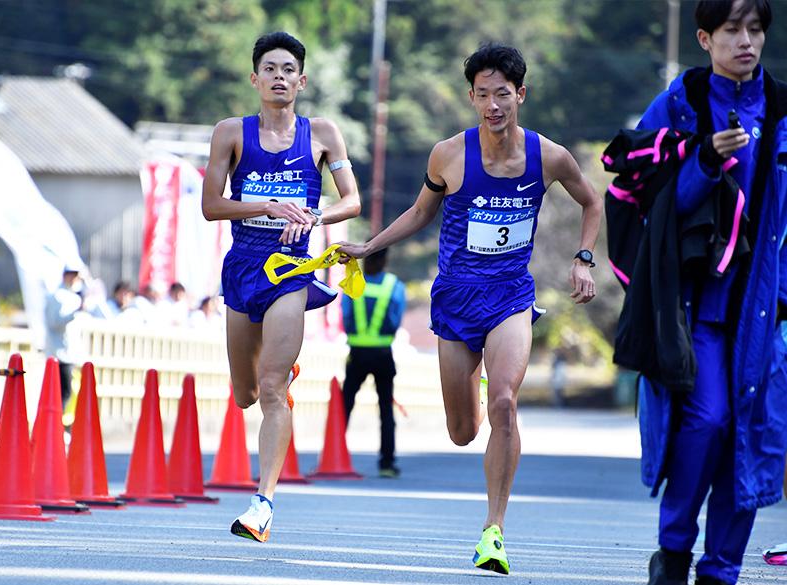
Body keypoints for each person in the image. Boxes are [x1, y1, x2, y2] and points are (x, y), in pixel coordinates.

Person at [337, 43, 602, 574]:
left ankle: (493, 532)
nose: (492, 105)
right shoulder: (448, 155)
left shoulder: (548, 156)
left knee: (505, 401)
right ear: (472, 98)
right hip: (456, 299)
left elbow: (592, 201)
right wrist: (368, 246)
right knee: (463, 430)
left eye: (502, 94)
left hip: (510, 296)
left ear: (520, 94)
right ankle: (479, 401)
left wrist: (584, 258)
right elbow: (419, 212)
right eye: (482, 95)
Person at [635, 3, 787, 583]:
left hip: (762, 306)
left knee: (748, 439)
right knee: (707, 423)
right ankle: (673, 552)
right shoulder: (679, 104)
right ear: (705, 37)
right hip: (692, 305)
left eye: (755, 30)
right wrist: (702, 161)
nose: (746, 41)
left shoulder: (781, 110)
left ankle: (721, 569)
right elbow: (645, 198)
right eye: (732, 30)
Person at [201, 31, 361, 543]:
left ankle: (262, 504)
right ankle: (278, 366)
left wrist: (315, 215)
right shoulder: (231, 132)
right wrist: (266, 207)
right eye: (269, 68)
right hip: (243, 265)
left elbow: (351, 200)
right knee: (246, 393)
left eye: (288, 69)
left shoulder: (323, 134)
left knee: (271, 390)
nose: (278, 76)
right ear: (254, 79)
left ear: (302, 80)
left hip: (291, 269)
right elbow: (211, 206)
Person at [340, 248, 406, 478]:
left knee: (343, 407)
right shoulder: (394, 286)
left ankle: (334, 456)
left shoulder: (354, 282)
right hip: (382, 352)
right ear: (386, 259)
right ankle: (387, 463)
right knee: (386, 410)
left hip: (356, 352)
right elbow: (395, 320)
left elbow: (345, 316)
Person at [44, 262, 88, 410]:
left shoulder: (73, 297)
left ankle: (58, 425)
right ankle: (55, 425)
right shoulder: (56, 296)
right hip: (58, 352)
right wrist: (75, 313)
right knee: (62, 392)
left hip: (70, 352)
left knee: (67, 392)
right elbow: (54, 322)